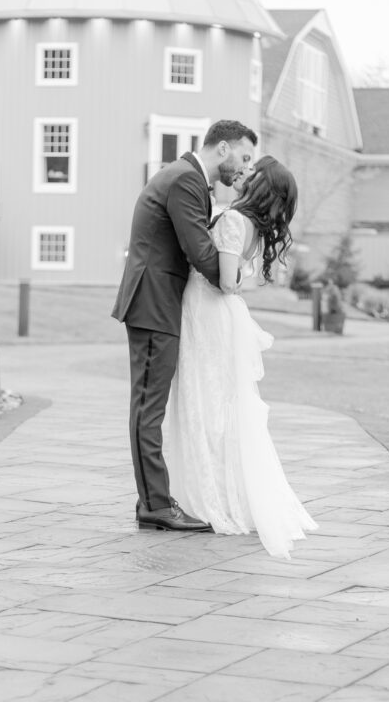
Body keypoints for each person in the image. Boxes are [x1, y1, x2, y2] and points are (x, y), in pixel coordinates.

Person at [166, 155, 317, 558]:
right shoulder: (250, 225)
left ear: (262, 186)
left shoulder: (234, 221)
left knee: (206, 403)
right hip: (214, 314)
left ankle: (213, 498)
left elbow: (229, 281)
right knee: (215, 403)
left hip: (208, 311)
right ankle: (213, 489)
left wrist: (214, 270)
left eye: (254, 173)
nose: (245, 175)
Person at [112, 120, 257, 532]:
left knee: (148, 405)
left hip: (158, 302)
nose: (244, 169)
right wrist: (233, 281)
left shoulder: (187, 179)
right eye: (244, 158)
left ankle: (153, 501)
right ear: (223, 148)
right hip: (153, 304)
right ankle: (156, 504)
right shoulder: (185, 181)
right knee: (148, 407)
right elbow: (199, 251)